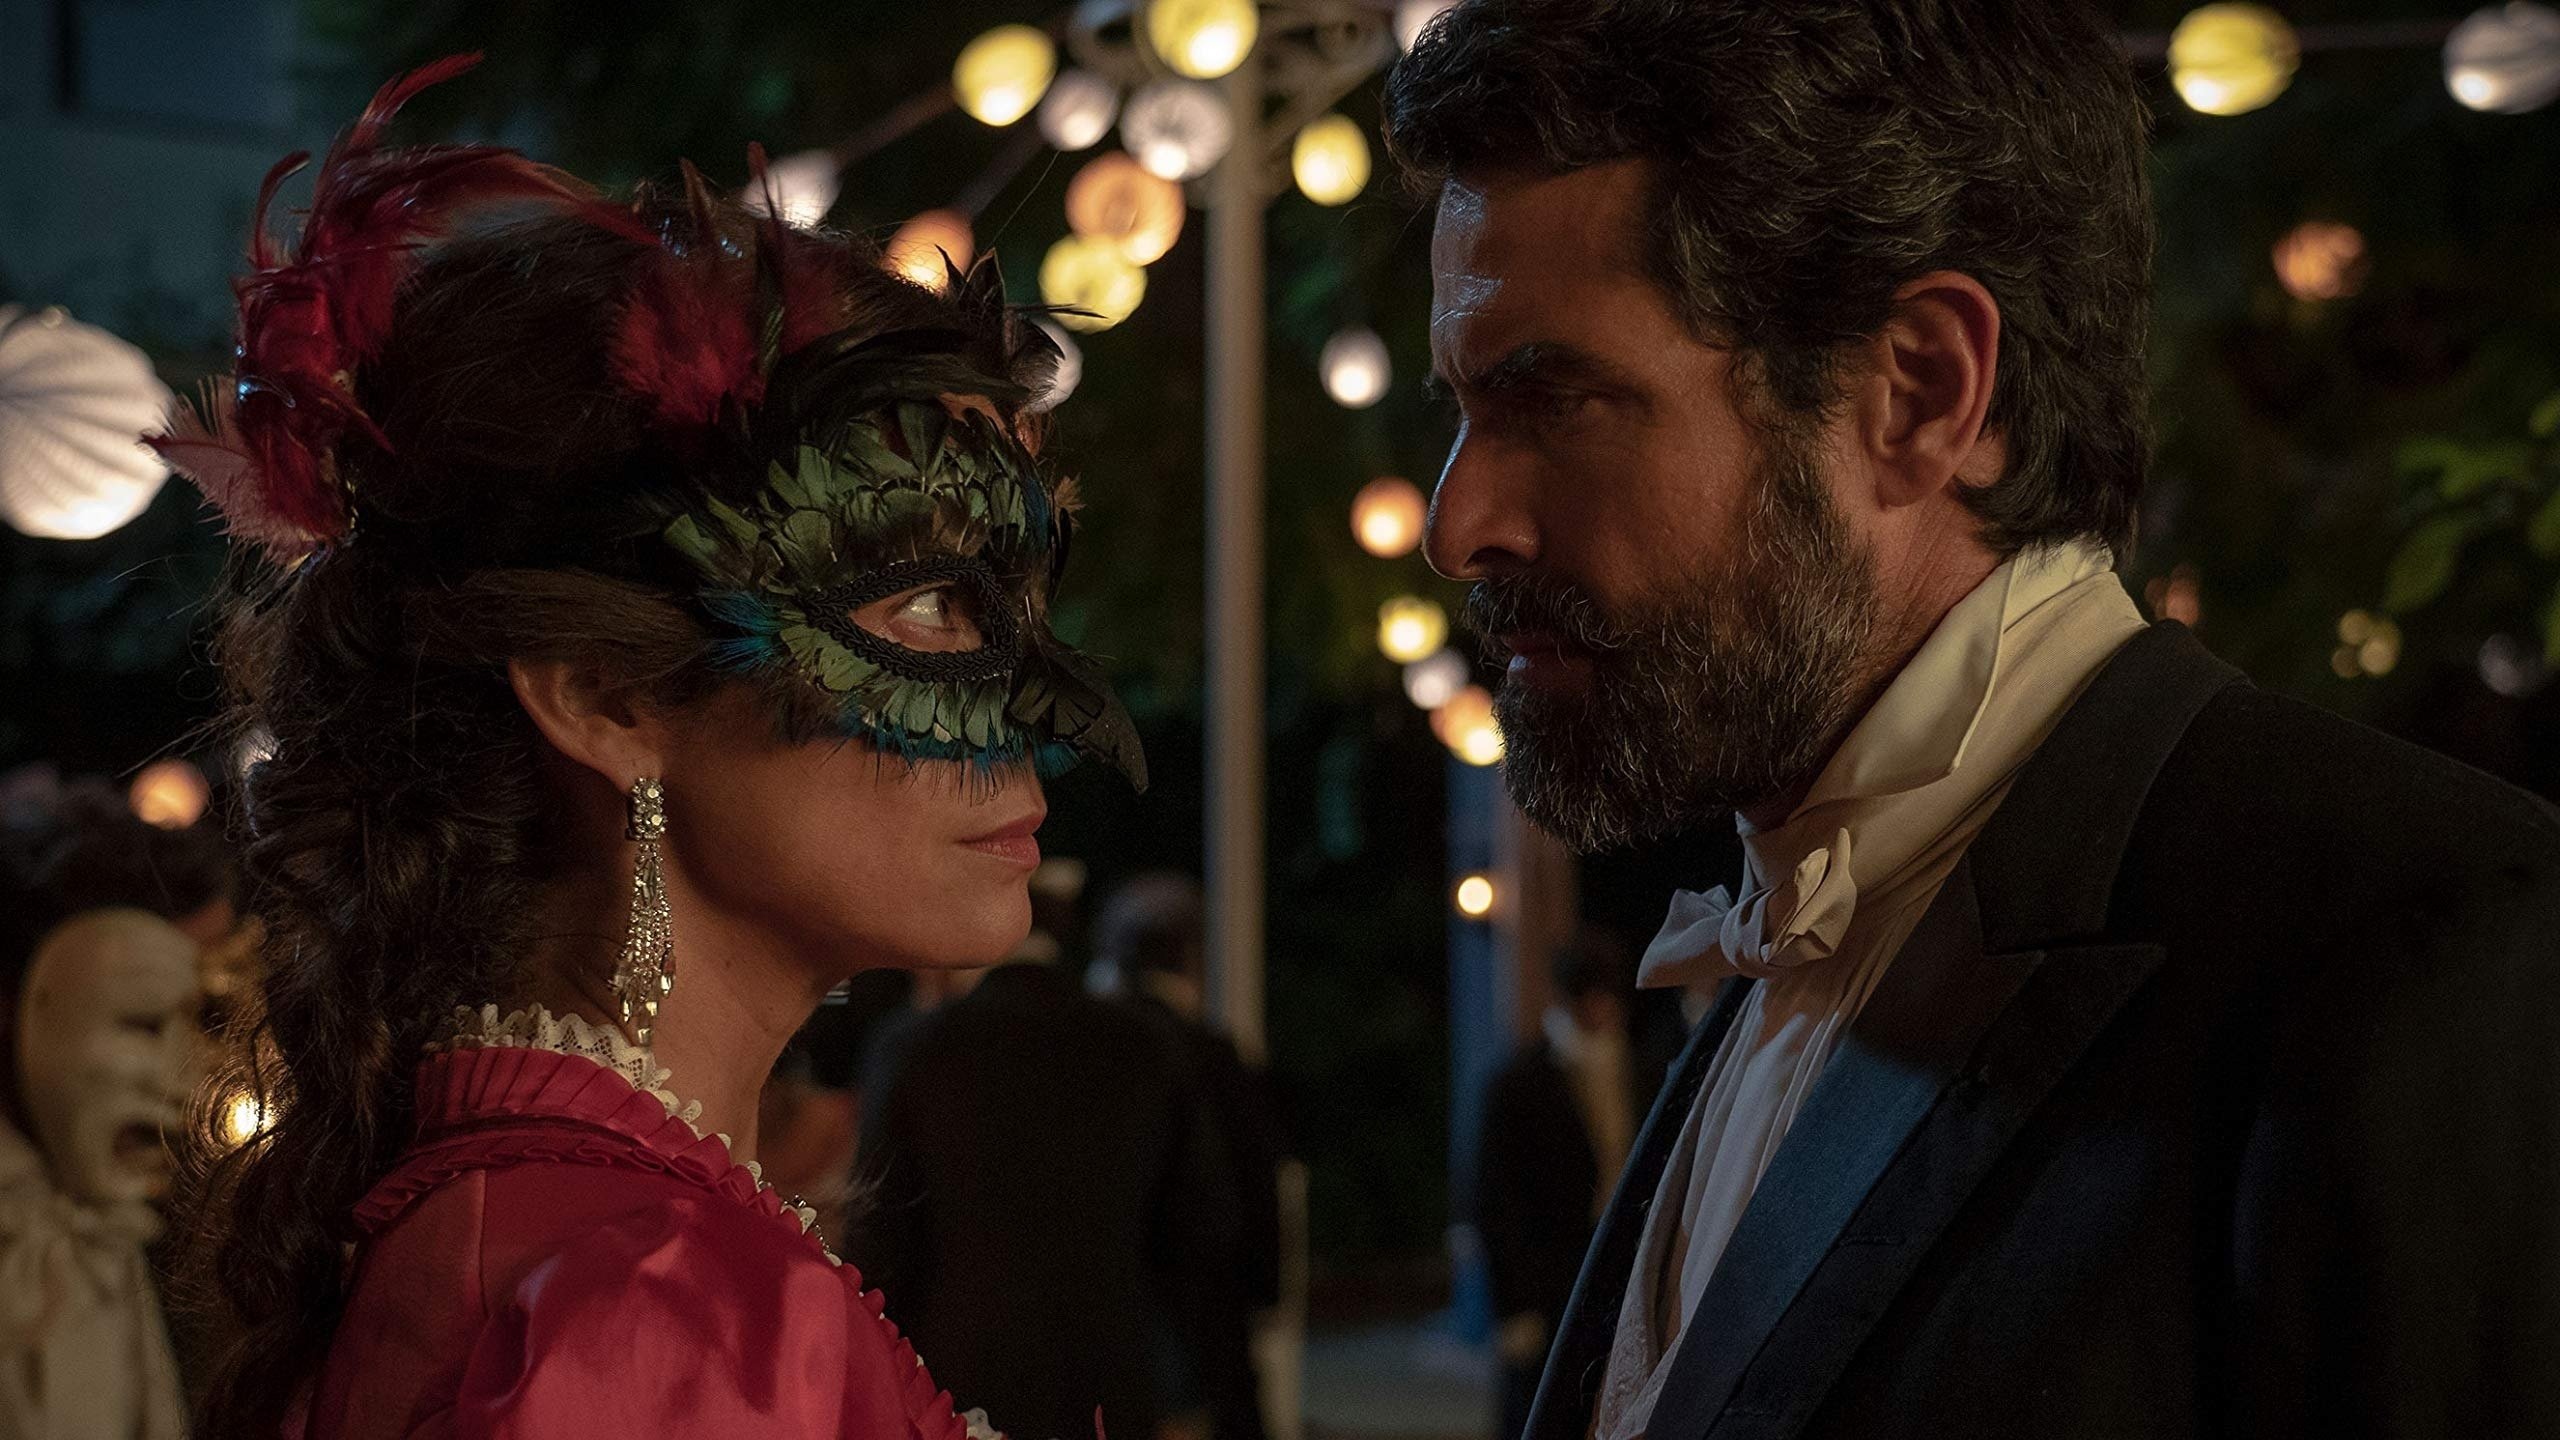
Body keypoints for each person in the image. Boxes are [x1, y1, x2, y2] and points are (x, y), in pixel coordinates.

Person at [1385, 4, 2560, 1438]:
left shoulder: (2428, 948)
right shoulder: (1781, 947)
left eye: (1555, 402)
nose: (1458, 525)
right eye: (1461, 413)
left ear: (1921, 390)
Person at [161, 55, 1144, 1440]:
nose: (1034, 711)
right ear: (602, 697)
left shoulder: (508, 1224)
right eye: (926, 604)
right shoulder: (663, 1313)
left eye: (1022, 608)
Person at [853, 921, 1236, 1440]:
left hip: (957, 1374)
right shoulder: (1140, 1042)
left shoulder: (917, 1045)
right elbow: (1199, 1233)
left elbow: (882, 1232)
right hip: (1111, 1371)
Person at [1088, 872, 1287, 1440]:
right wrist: (1264, 1287)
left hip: (1114, 1301)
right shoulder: (1211, 1053)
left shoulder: (1091, 1053)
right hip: (1204, 1298)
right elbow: (1254, 1178)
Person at [1471, 930, 1637, 1440]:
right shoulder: (1519, 1082)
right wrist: (1514, 1305)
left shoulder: (1637, 1066)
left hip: (1622, 1267)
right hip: (1547, 1275)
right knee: (1537, 1409)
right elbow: (1493, 1198)